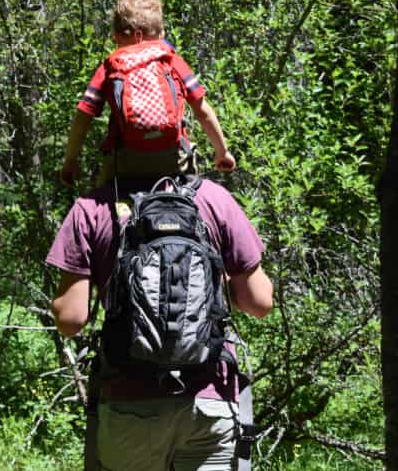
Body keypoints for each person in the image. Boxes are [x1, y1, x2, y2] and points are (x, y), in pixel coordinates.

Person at [47, 175, 274, 471]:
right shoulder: (215, 200)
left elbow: (70, 320)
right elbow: (260, 303)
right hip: (209, 399)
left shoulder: (93, 207)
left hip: (130, 402)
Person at [61, 0, 236, 187]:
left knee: (93, 211)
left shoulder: (110, 67)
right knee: (205, 200)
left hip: (123, 167)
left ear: (117, 36)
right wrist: (222, 152)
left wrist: (70, 161)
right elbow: (202, 111)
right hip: (175, 164)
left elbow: (82, 117)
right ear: (153, 33)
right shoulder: (172, 61)